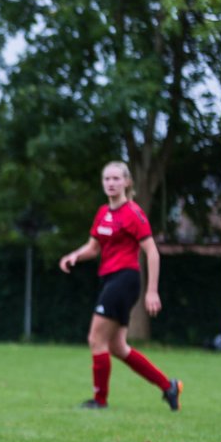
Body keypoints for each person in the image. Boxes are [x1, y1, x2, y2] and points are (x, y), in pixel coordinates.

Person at [59, 161, 182, 410]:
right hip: (109, 279)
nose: (111, 183)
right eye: (107, 179)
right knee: (117, 346)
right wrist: (74, 255)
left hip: (125, 279)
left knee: (96, 338)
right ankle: (168, 386)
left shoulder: (133, 213)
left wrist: (152, 291)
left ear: (127, 182)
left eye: (116, 179)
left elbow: (152, 252)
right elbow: (93, 248)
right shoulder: (103, 212)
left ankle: (99, 401)